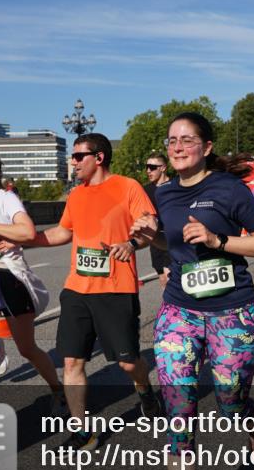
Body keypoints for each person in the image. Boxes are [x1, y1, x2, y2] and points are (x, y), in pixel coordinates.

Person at [130, 112, 254, 470]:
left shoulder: (229, 190)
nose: (177, 147)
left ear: (207, 147)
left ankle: (251, 416)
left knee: (229, 402)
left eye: (187, 140)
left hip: (233, 311)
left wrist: (219, 242)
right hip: (180, 312)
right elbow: (170, 242)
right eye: (172, 140)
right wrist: (149, 235)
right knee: (179, 414)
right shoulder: (164, 192)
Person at [26, 133, 161, 451]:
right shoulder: (76, 195)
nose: (72, 162)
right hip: (77, 289)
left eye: (77, 156)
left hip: (116, 289)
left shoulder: (128, 187)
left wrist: (132, 244)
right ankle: (82, 432)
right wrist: (24, 239)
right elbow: (63, 231)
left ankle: (144, 389)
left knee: (128, 364)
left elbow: (150, 225)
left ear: (98, 157)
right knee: (72, 362)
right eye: (71, 157)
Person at [0, 150, 63, 407]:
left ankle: (58, 389)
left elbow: (27, 231)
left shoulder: (7, 199)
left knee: (27, 349)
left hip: (10, 277)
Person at [144, 153, 173, 288]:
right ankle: (170, 308)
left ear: (163, 168)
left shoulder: (176, 185)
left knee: (170, 278)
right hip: (155, 242)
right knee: (163, 280)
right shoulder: (145, 190)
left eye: (152, 167)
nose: (148, 170)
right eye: (147, 167)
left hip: (173, 240)